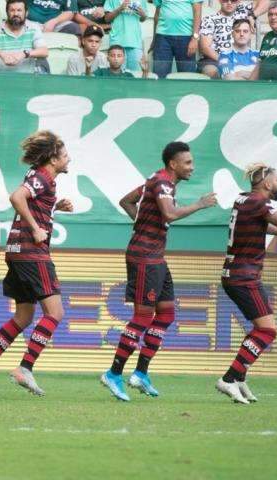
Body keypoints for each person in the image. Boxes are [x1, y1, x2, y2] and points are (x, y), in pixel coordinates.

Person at [101, 142, 217, 401]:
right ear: (173, 164)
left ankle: (140, 373)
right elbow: (169, 214)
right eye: (187, 162)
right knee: (143, 316)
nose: (192, 167)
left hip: (155, 256)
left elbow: (126, 201)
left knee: (166, 313)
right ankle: (113, 373)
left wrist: (143, 223)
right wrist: (198, 204)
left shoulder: (157, 180)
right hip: (144, 257)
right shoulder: (163, 183)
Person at [0, 130, 73, 397]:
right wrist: (37, 228)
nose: (69, 159)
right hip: (32, 254)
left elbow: (30, 200)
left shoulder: (41, 177)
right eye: (64, 156)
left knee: (24, 316)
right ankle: (25, 368)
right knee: (55, 313)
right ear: (53, 159)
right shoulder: (42, 177)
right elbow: (17, 197)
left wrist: (53, 207)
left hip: (17, 252)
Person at [217, 163, 277, 404]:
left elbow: (261, 224)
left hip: (236, 275)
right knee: (267, 331)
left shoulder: (244, 200)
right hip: (244, 277)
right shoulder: (260, 202)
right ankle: (229, 379)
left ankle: (239, 377)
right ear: (267, 183)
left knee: (260, 329)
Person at [0, 0, 48, 74]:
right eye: (12, 10)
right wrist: (1, 54)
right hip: (1, 79)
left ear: (26, 13)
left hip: (27, 80)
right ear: (7, 13)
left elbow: (44, 51)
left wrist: (24, 54)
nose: (16, 13)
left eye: (19, 10)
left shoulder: (34, 28)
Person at [198, 0, 252, 78]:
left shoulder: (243, 16)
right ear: (219, 1)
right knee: (211, 71)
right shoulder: (209, 19)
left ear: (238, 1)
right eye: (225, 0)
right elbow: (205, 48)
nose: (229, 3)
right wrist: (225, 61)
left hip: (240, 58)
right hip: (214, 60)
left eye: (233, 0)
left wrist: (254, 15)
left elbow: (266, 3)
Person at [151, 0, 203, 79]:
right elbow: (157, 14)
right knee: (160, 76)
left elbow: (197, 12)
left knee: (187, 78)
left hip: (186, 38)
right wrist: (154, 39)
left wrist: (195, 39)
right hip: (162, 37)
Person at [103, 0, 148, 73]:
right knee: (116, 76)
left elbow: (143, 19)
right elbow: (107, 19)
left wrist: (142, 14)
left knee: (136, 76)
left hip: (135, 42)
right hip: (117, 41)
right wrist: (120, 8)